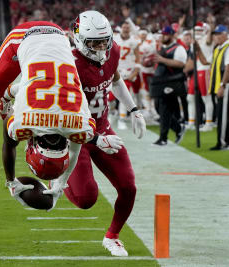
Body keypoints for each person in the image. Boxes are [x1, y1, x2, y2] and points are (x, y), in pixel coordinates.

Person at [0, 21, 123, 210]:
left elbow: (75, 148)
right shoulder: (23, 125)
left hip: (59, 37)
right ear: (32, 147)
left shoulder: (80, 128)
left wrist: (60, 183)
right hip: (25, 36)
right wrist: (10, 182)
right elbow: (9, 144)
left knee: (1, 94)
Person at [66, 11, 146, 256]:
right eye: (94, 42)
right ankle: (54, 169)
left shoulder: (113, 51)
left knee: (128, 186)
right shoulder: (69, 63)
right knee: (85, 199)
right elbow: (64, 113)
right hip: (76, 135)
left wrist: (134, 109)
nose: (101, 46)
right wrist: (95, 139)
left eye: (104, 40)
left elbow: (116, 79)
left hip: (103, 128)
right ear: (80, 40)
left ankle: (112, 236)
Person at [150, 25, 187, 146]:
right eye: (162, 34)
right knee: (158, 109)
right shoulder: (163, 48)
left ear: (171, 35)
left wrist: (162, 60)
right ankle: (178, 128)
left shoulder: (178, 48)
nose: (163, 36)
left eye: (165, 34)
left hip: (171, 82)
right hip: (161, 82)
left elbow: (181, 64)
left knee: (165, 109)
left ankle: (163, 138)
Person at [209, 25, 229, 151]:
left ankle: (223, 143)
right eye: (215, 34)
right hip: (219, 87)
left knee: (224, 116)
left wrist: (222, 85)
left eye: (219, 34)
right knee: (223, 115)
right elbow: (207, 63)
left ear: (226, 34)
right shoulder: (218, 49)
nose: (216, 36)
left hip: (226, 86)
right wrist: (198, 49)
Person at [185, 22, 215, 131]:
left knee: (206, 97)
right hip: (196, 71)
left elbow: (209, 40)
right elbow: (192, 58)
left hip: (205, 69)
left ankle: (209, 123)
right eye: (196, 30)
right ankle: (191, 121)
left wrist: (211, 27)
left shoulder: (208, 40)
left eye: (200, 30)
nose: (198, 33)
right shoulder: (195, 42)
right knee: (190, 97)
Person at [113, 20, 142, 130]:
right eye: (124, 27)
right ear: (121, 28)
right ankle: (112, 114)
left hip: (128, 71)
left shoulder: (134, 41)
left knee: (124, 95)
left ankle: (122, 118)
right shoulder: (115, 39)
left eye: (127, 27)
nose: (126, 29)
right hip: (116, 70)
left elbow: (138, 58)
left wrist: (135, 72)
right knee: (110, 97)